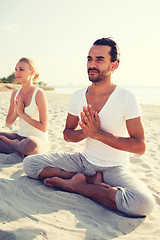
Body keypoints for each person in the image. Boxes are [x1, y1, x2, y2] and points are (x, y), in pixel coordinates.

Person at [23, 38, 155, 216]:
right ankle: (91, 180)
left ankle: (79, 186)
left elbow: (140, 146)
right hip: (84, 162)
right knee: (30, 164)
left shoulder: (126, 98)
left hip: (115, 168)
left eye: (100, 60)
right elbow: (67, 135)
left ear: (113, 66)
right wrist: (85, 133)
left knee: (144, 204)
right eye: (89, 59)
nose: (92, 64)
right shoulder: (78, 96)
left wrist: (98, 134)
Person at [0, 57, 49, 157]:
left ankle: (13, 144)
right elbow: (8, 122)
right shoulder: (15, 94)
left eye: (21, 69)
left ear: (32, 72)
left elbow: (44, 127)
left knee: (31, 144)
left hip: (37, 141)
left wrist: (22, 114)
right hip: (20, 137)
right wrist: (16, 113)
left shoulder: (39, 93)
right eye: (16, 69)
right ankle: (18, 148)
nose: (17, 72)